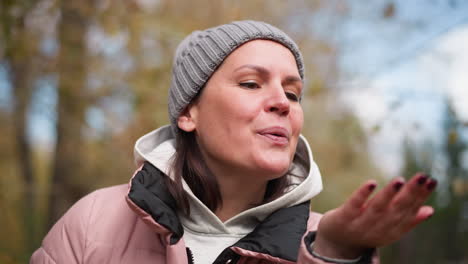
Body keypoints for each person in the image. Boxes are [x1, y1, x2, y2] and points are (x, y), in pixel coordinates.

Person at [30, 20, 437, 264]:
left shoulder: (325, 241)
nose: (282, 102)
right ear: (189, 114)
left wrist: (333, 254)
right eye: (250, 83)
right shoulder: (93, 223)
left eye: (293, 93)